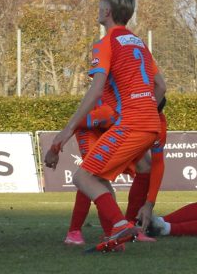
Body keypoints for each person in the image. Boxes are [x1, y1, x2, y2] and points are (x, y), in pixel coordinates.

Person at [44, 0, 166, 252]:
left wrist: (65, 132)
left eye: (100, 6)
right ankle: (116, 234)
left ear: (107, 11)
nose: (98, 10)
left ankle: (119, 226)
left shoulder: (106, 43)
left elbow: (96, 88)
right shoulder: (140, 43)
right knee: (99, 177)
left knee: (82, 177)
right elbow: (161, 86)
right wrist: (146, 109)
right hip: (149, 124)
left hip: (131, 123)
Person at [62, 101, 167, 246]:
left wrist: (149, 204)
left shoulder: (158, 124)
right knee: (91, 175)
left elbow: (158, 164)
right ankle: (76, 232)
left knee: (145, 167)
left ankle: (129, 226)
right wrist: (56, 147)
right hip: (91, 130)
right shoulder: (111, 112)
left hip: (119, 131)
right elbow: (78, 121)